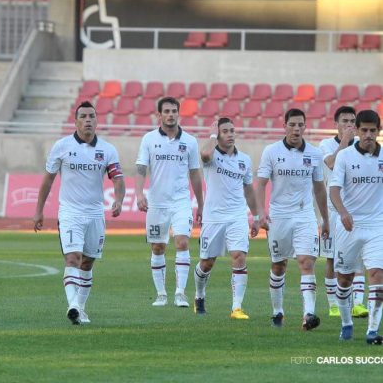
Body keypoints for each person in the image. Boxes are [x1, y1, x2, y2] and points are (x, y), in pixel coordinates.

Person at [33, 100, 125, 325]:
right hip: (70, 212)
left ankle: (80, 308)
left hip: (95, 214)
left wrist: (119, 200)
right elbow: (48, 180)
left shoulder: (107, 150)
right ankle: (73, 305)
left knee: (87, 263)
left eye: (91, 116)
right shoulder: (61, 146)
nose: (88, 120)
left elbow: (118, 179)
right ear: (75, 122)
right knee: (73, 258)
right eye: (83, 117)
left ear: (97, 121)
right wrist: (39, 210)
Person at [257, 108, 329, 330]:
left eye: (300, 125)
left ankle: (309, 314)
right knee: (279, 265)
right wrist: (260, 213)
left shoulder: (315, 154)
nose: (296, 129)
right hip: (279, 216)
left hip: (304, 215)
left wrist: (325, 219)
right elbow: (260, 183)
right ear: (284, 126)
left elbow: (319, 188)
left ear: (305, 127)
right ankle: (277, 312)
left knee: (306, 262)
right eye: (292, 125)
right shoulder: (271, 151)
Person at [135, 96, 204, 308]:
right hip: (157, 202)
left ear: (178, 113)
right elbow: (141, 168)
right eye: (166, 111)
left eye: (174, 111)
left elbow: (195, 174)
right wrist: (139, 194)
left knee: (182, 242)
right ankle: (161, 294)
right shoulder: (149, 139)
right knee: (158, 247)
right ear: (159, 115)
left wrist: (201, 203)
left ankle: (180, 293)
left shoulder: (190, 141)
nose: (171, 115)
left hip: (181, 201)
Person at [195, 118, 259, 319]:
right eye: (225, 131)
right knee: (207, 263)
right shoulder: (211, 155)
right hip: (213, 217)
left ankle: (236, 308)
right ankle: (199, 296)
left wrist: (256, 216)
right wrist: (212, 135)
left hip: (237, 216)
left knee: (239, 256)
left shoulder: (244, 160)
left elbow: (249, 190)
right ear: (218, 134)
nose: (230, 134)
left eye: (232, 130)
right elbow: (204, 154)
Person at [329, 110, 383, 344]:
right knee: (344, 279)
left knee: (377, 274)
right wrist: (342, 212)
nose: (369, 134)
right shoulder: (345, 156)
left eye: (373, 130)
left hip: (377, 225)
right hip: (349, 225)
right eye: (364, 130)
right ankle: (346, 323)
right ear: (357, 131)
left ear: (379, 131)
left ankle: (372, 331)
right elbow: (333, 189)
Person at [318, 106, 368, 318]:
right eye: (345, 121)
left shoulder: (362, 145)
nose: (349, 125)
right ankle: (333, 305)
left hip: (356, 210)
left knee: (358, 257)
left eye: (352, 121)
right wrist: (345, 142)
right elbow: (331, 164)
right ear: (336, 124)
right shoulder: (326, 144)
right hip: (332, 210)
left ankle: (358, 304)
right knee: (331, 258)